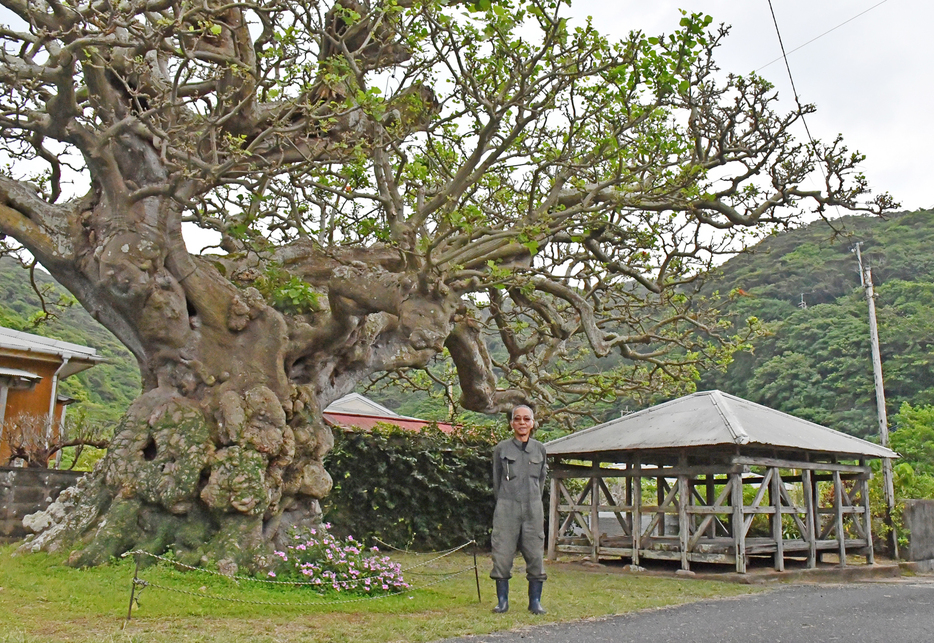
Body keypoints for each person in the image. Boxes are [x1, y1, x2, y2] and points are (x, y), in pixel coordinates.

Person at [490, 404, 547, 615]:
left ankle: (535, 602)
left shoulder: (540, 449)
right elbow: (496, 481)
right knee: (502, 553)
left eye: (526, 419)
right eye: (517, 419)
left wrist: (533, 501)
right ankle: (502, 601)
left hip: (533, 508)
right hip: (506, 507)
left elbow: (541, 480)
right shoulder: (501, 449)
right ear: (511, 423)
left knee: (535, 554)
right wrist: (504, 502)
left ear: (533, 423)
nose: (522, 423)